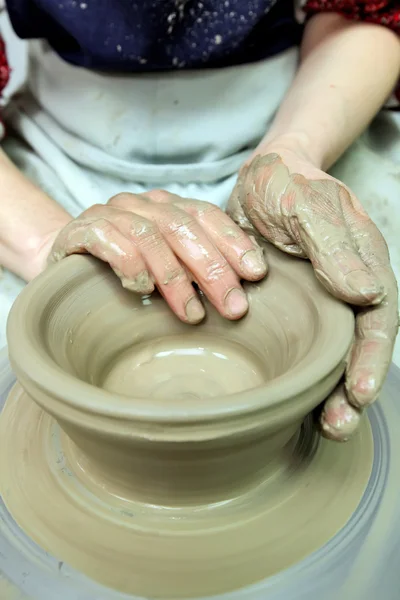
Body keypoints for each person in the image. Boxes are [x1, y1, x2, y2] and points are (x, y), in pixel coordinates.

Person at [0, 0, 398, 442]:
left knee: (361, 318)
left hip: (306, 113)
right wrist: (43, 242)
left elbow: (366, 12)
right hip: (54, 150)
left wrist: (296, 150)